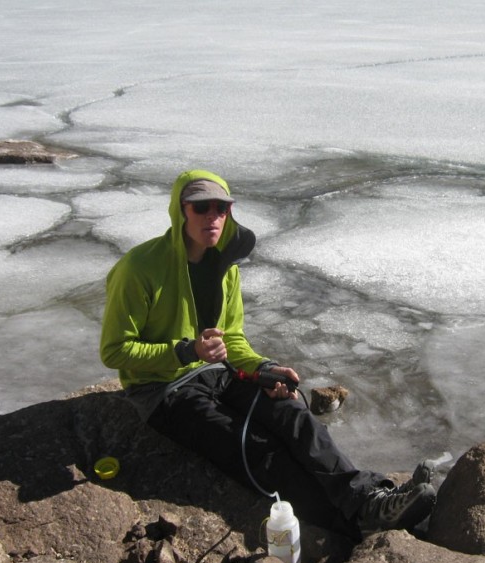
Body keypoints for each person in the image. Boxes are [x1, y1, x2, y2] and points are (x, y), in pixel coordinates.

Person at [100, 169, 436, 539]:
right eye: (200, 207)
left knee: (292, 415)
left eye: (221, 208)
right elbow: (115, 351)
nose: (212, 216)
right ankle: (357, 523)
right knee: (257, 447)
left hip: (218, 373)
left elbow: (234, 341)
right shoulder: (139, 268)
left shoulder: (224, 268)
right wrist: (186, 351)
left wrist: (265, 368)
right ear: (180, 210)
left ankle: (371, 496)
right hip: (164, 390)